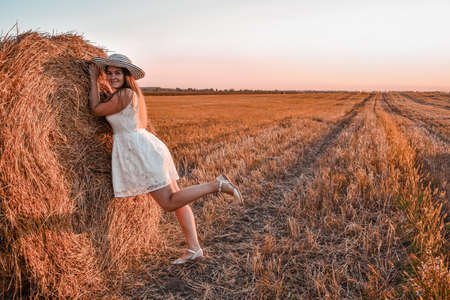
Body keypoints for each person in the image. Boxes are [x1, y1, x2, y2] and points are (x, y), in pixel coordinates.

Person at [88, 54, 242, 264]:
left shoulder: (123, 94)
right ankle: (194, 248)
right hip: (146, 147)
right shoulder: (130, 94)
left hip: (140, 152)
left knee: (169, 203)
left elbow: (95, 109)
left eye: (117, 73)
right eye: (110, 73)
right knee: (178, 201)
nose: (113, 77)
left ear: (126, 76)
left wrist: (91, 78)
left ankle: (216, 184)